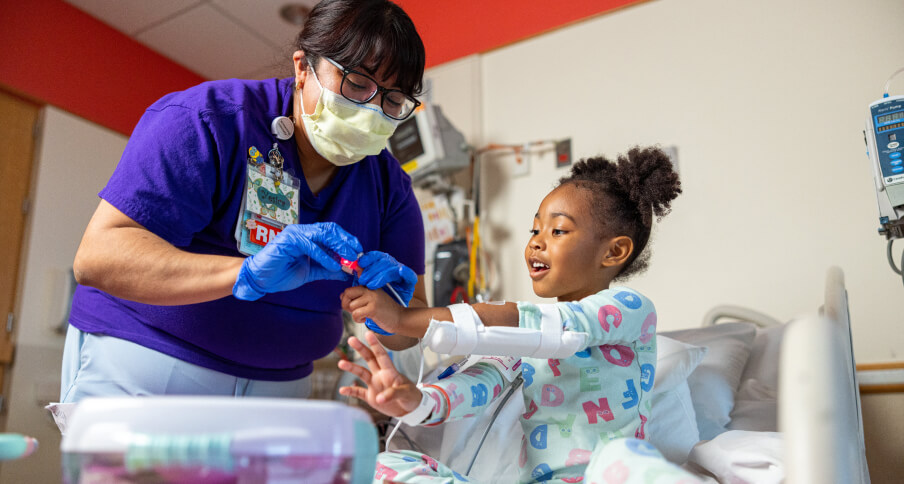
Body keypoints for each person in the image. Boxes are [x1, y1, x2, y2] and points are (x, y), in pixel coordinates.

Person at [61, 0, 428, 403]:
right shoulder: (210, 121)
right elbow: (98, 259)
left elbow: (407, 329)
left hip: (282, 388)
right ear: (303, 67)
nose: (371, 112)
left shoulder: (387, 187)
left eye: (393, 101)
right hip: (148, 362)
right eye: (357, 84)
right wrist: (246, 273)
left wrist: (390, 312)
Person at [338, 147, 702, 483]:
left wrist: (404, 321)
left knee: (623, 456)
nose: (536, 242)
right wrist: (414, 401)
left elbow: (562, 329)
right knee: (384, 466)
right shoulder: (523, 338)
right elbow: (477, 385)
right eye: (535, 229)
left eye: (557, 230)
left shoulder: (630, 309)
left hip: (603, 476)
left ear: (614, 252)